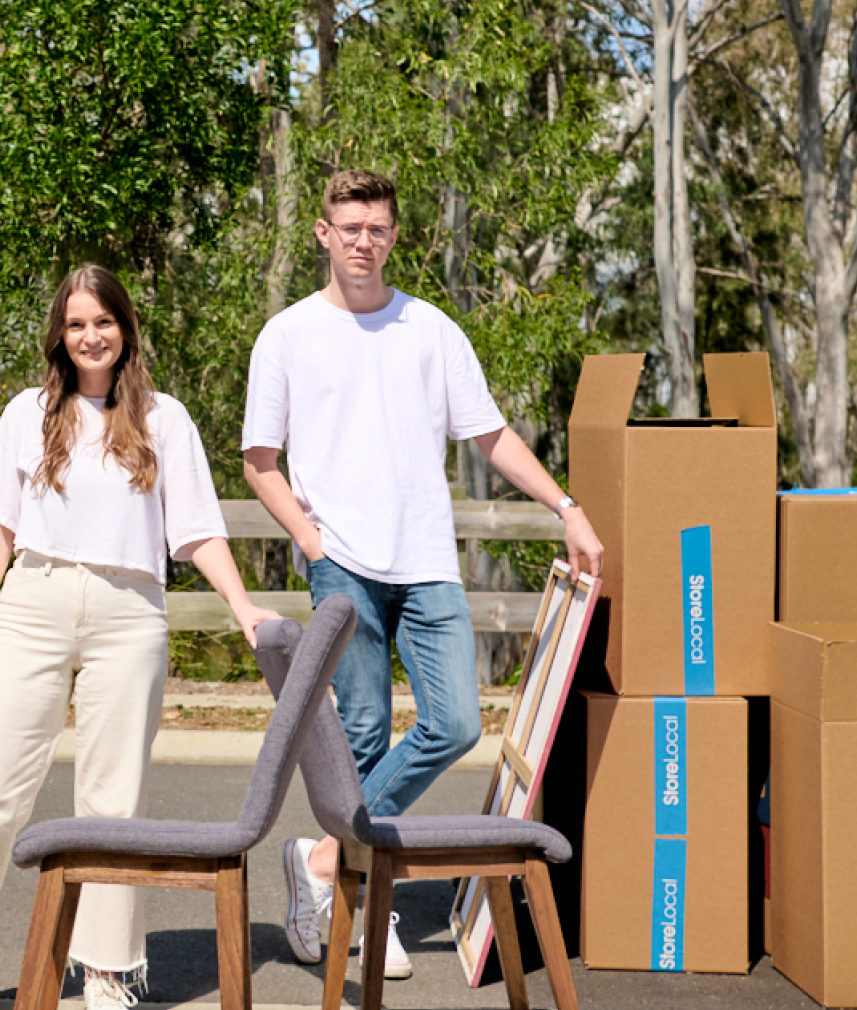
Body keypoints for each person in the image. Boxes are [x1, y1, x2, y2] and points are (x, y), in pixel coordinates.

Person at [242, 169, 604, 978]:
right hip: (344, 565)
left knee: (457, 724)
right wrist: (311, 538)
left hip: (427, 561)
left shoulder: (431, 330)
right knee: (363, 732)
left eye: (378, 228)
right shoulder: (289, 335)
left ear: (394, 236)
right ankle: (365, 904)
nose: (363, 240)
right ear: (323, 234)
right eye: (350, 226)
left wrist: (566, 506)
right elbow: (258, 460)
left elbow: (491, 436)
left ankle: (329, 861)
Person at [0, 265, 278, 1009]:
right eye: (75, 324)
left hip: (130, 612)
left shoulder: (167, 419)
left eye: (102, 322)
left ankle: (108, 970)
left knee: (111, 802)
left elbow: (197, 531)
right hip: (32, 604)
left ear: (125, 329)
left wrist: (242, 606)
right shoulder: (26, 414)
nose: (90, 336)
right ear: (59, 336)